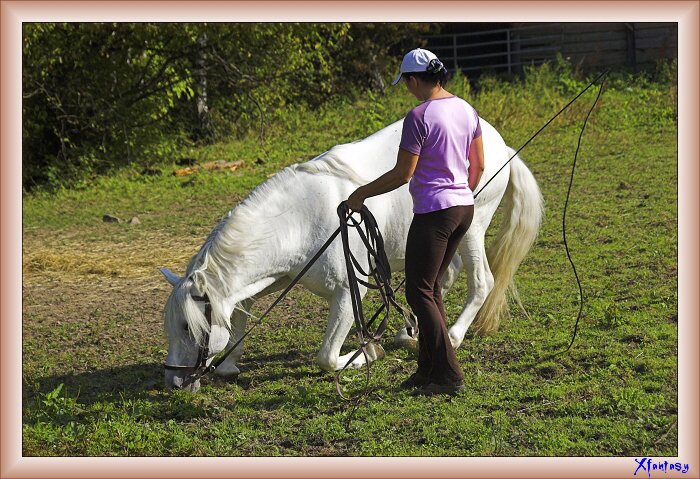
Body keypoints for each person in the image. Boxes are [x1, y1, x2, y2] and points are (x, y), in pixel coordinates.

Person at [345, 48, 485, 396]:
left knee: (418, 291)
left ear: (413, 80)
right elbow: (478, 166)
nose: (407, 89)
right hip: (463, 209)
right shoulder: (467, 110)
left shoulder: (419, 116)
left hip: (434, 214)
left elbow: (403, 173)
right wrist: (459, 194)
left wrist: (360, 193)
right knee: (431, 288)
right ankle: (426, 370)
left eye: (406, 83)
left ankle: (448, 375)